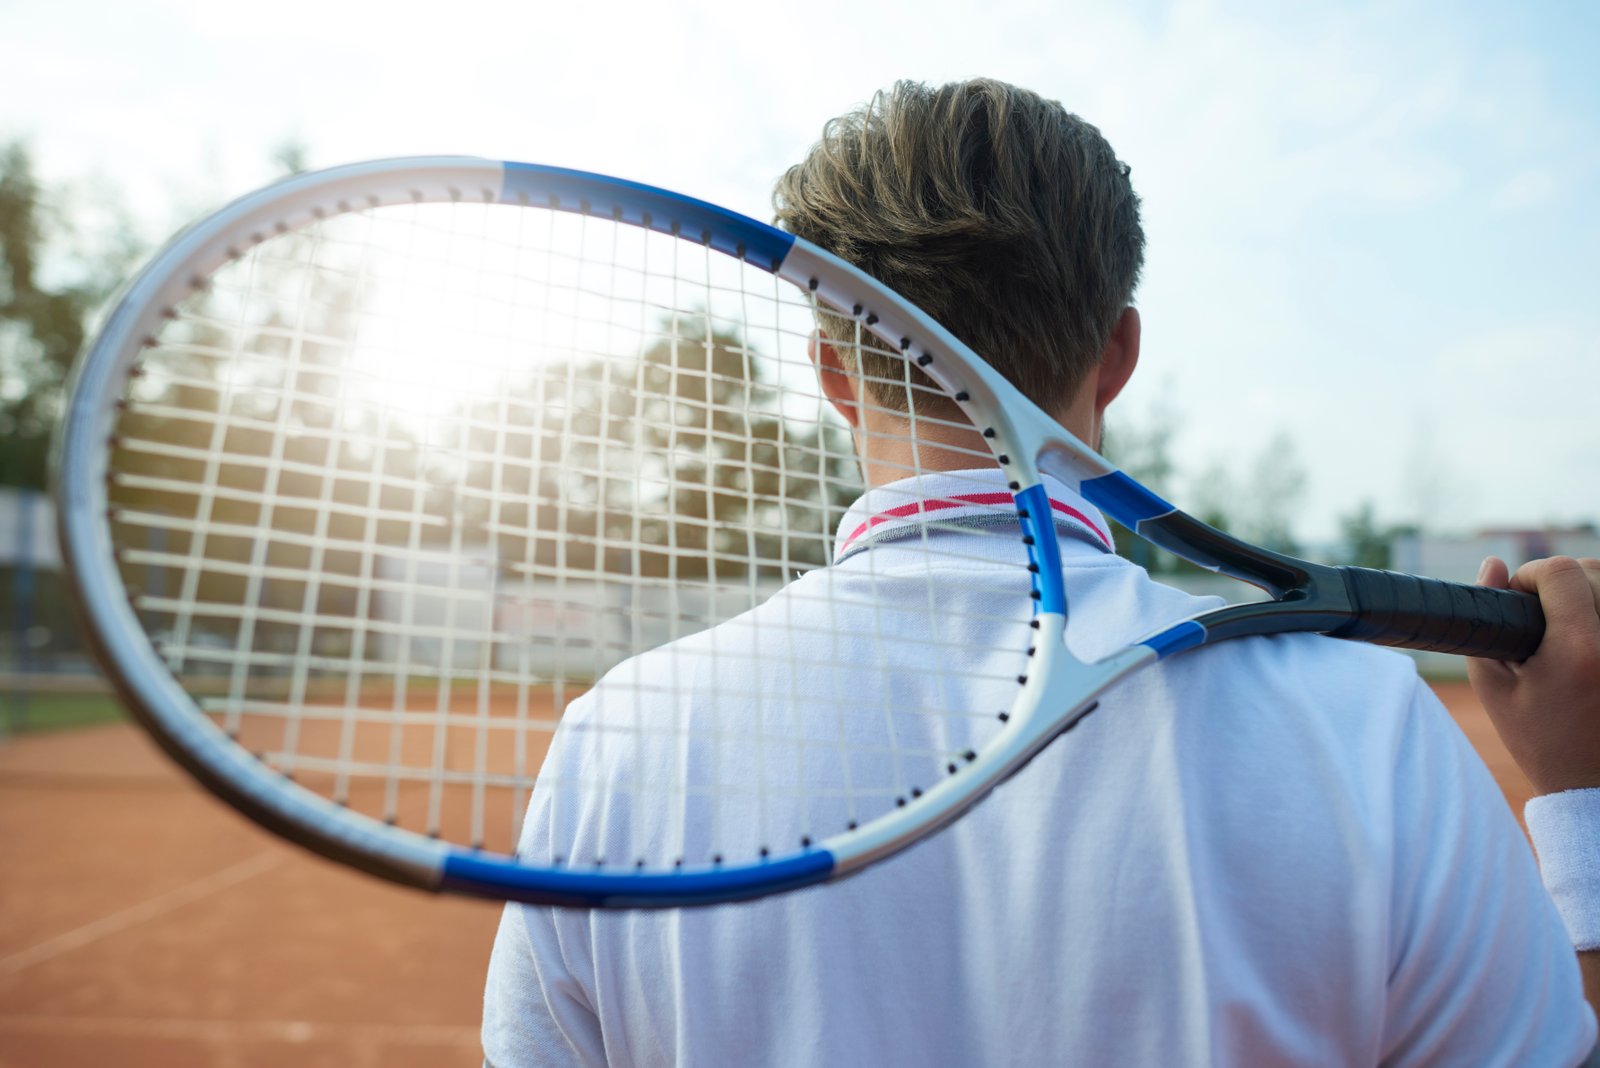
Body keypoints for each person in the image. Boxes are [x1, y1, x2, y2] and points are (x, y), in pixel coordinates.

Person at [482, 79, 1600, 1065]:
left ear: (830, 369)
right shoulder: (1365, 729)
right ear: (1118, 352)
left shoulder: (617, 743)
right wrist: (1586, 804)